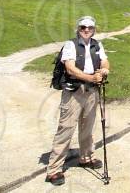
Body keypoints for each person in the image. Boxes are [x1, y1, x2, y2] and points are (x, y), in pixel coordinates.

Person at [46, 15, 111, 186]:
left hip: (92, 91)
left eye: (90, 27)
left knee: (87, 126)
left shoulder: (98, 44)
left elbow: (105, 61)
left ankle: (86, 157)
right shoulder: (71, 45)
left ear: (94, 29)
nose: (86, 30)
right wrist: (91, 78)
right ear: (78, 29)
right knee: (66, 128)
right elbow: (70, 68)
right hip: (74, 90)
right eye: (83, 27)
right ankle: (54, 169)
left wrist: (103, 71)